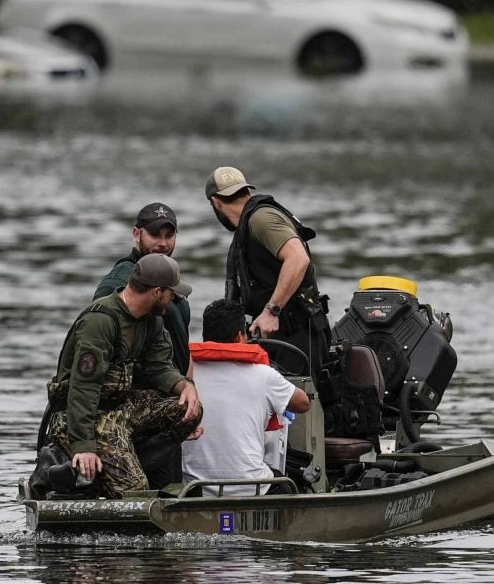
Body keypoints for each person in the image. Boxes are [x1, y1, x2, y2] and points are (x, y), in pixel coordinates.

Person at [44, 254, 202, 499]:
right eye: (172, 293)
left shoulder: (152, 320)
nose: (175, 299)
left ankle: (121, 464)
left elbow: (159, 366)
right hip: (82, 417)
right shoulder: (101, 321)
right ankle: (64, 473)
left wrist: (185, 386)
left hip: (121, 410)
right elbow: (83, 388)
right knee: (135, 492)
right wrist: (83, 446)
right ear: (157, 292)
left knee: (188, 410)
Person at [204, 165, 332, 376]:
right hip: (280, 333)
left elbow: (298, 259)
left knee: (297, 405)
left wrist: (271, 310)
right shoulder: (249, 224)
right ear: (245, 191)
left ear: (215, 202)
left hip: (297, 332)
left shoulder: (261, 219)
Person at [182, 299, 310, 496]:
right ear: (239, 336)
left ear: (205, 336)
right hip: (252, 487)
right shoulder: (263, 375)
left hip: (195, 490)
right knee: (292, 480)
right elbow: (303, 403)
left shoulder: (184, 375)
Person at [94, 202, 192, 378]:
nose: (163, 243)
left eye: (169, 236)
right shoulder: (116, 284)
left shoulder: (172, 281)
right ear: (136, 234)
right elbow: (98, 351)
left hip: (174, 389)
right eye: (155, 235)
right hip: (139, 397)